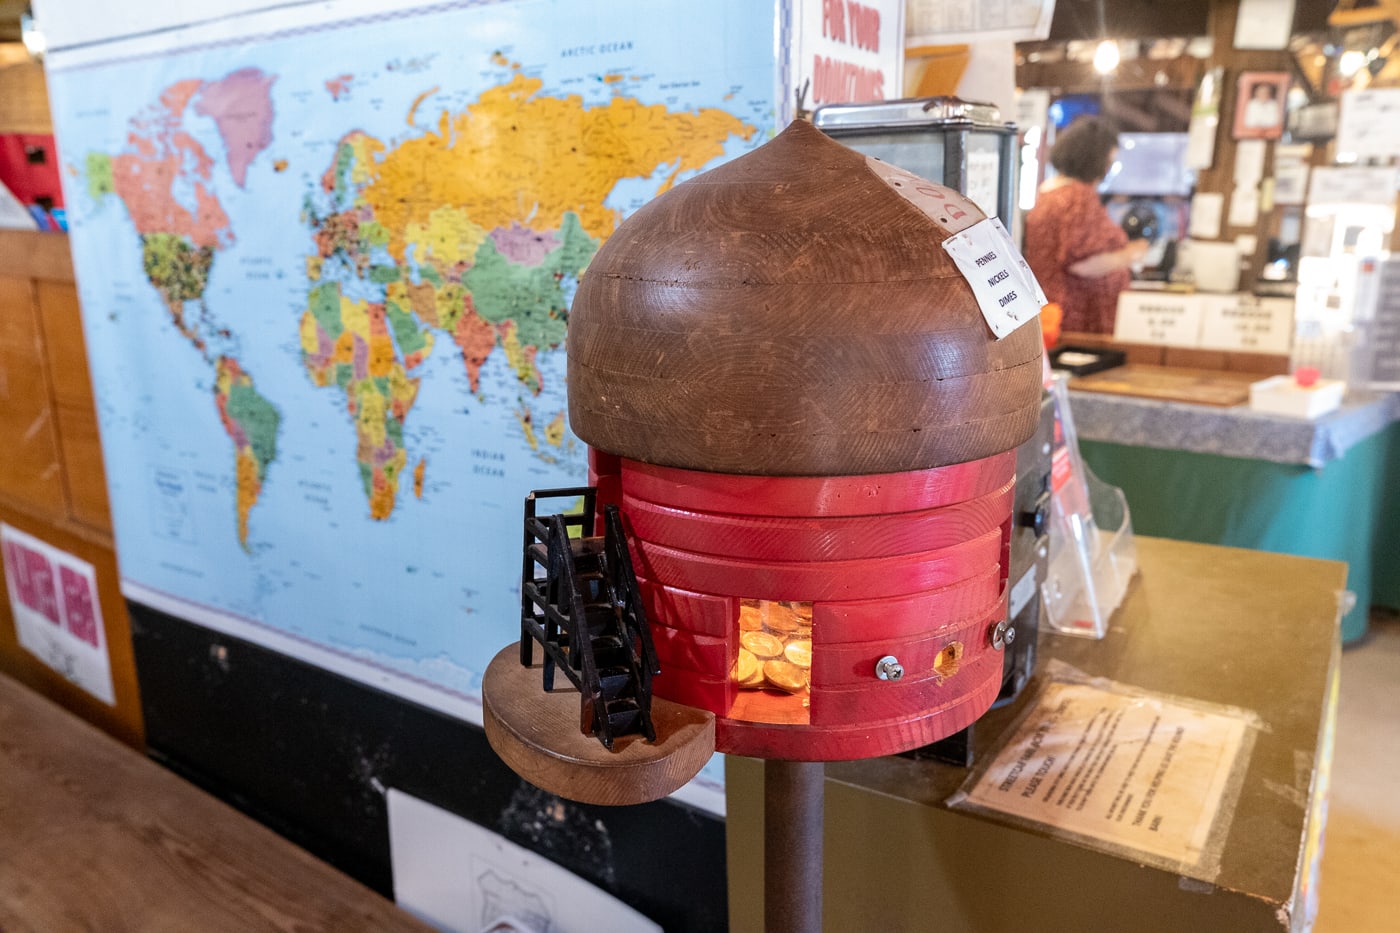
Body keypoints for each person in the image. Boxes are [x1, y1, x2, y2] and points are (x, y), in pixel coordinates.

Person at [1024, 117, 1149, 335]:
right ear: (1096, 159)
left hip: (1052, 312)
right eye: (1110, 162)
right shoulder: (1078, 197)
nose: (1109, 170)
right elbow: (1082, 264)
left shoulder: (1048, 193)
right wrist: (1131, 254)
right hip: (1077, 319)